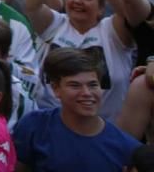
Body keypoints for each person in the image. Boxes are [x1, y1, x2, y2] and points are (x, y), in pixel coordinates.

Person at [12, 48, 141, 172]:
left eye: (93, 85)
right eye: (75, 85)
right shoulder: (34, 125)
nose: (86, 93)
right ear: (56, 89)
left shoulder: (127, 149)